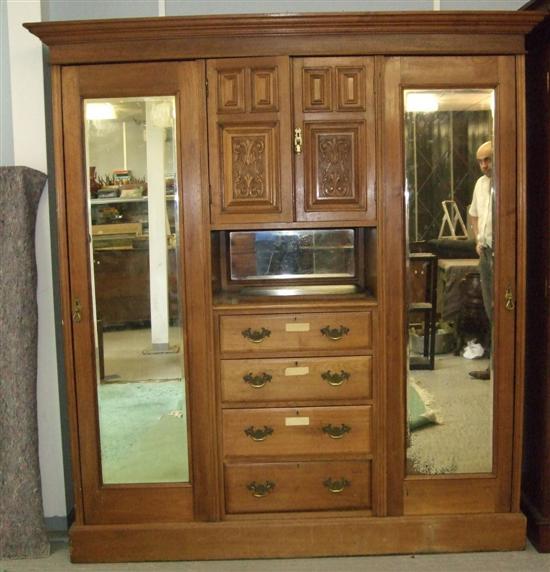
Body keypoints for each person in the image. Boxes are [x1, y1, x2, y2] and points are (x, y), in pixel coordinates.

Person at [468, 141, 493, 381]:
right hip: (485, 252)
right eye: (480, 161)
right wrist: (477, 239)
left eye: (488, 159)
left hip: (503, 252)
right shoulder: (480, 185)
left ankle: (500, 366)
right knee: (491, 310)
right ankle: (494, 366)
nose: (484, 165)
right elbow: (473, 214)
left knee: (503, 311)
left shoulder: (506, 181)